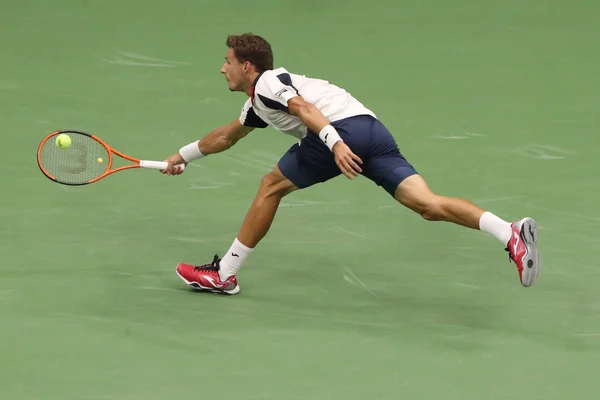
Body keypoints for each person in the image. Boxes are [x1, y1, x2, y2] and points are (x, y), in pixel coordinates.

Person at [161, 33, 541, 295]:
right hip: (371, 130)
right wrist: (182, 156)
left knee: (270, 185)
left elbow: (304, 109)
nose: (222, 68)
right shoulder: (257, 105)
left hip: (338, 131)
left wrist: (335, 142)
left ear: (247, 66)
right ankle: (509, 232)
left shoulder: (267, 84)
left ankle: (225, 275)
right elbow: (225, 136)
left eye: (227, 61)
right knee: (428, 205)